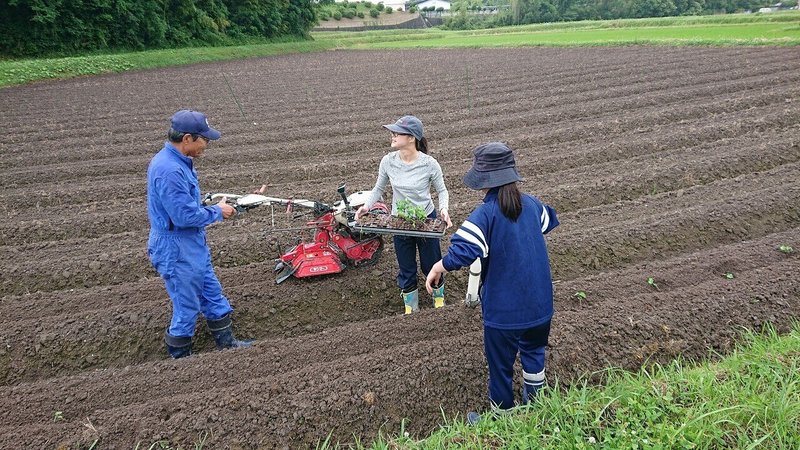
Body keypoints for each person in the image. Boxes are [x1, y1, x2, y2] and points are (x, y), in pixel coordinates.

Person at [425, 142, 559, 423]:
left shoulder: (485, 214)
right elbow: (550, 219)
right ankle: (536, 407)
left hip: (504, 312)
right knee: (534, 353)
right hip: (540, 306)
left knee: (500, 365)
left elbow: (462, 251)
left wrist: (439, 266)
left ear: (484, 180)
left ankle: (503, 417)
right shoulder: (533, 205)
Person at [147, 109, 254, 359]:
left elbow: (187, 206)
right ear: (187, 139)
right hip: (176, 247)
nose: (206, 145)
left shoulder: (177, 162)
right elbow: (183, 217)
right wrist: (217, 212)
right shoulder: (169, 170)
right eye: (203, 139)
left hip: (191, 243)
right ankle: (182, 361)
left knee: (212, 294)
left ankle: (227, 345)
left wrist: (212, 205)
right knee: (187, 306)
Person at [355, 115, 452, 314]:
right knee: (406, 267)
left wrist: (443, 209)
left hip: (426, 220)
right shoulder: (388, 161)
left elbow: (442, 190)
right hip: (399, 222)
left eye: (397, 132)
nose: (392, 135)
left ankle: (438, 298)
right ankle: (411, 306)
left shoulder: (429, 164)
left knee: (431, 264)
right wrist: (366, 206)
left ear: (411, 138)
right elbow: (378, 188)